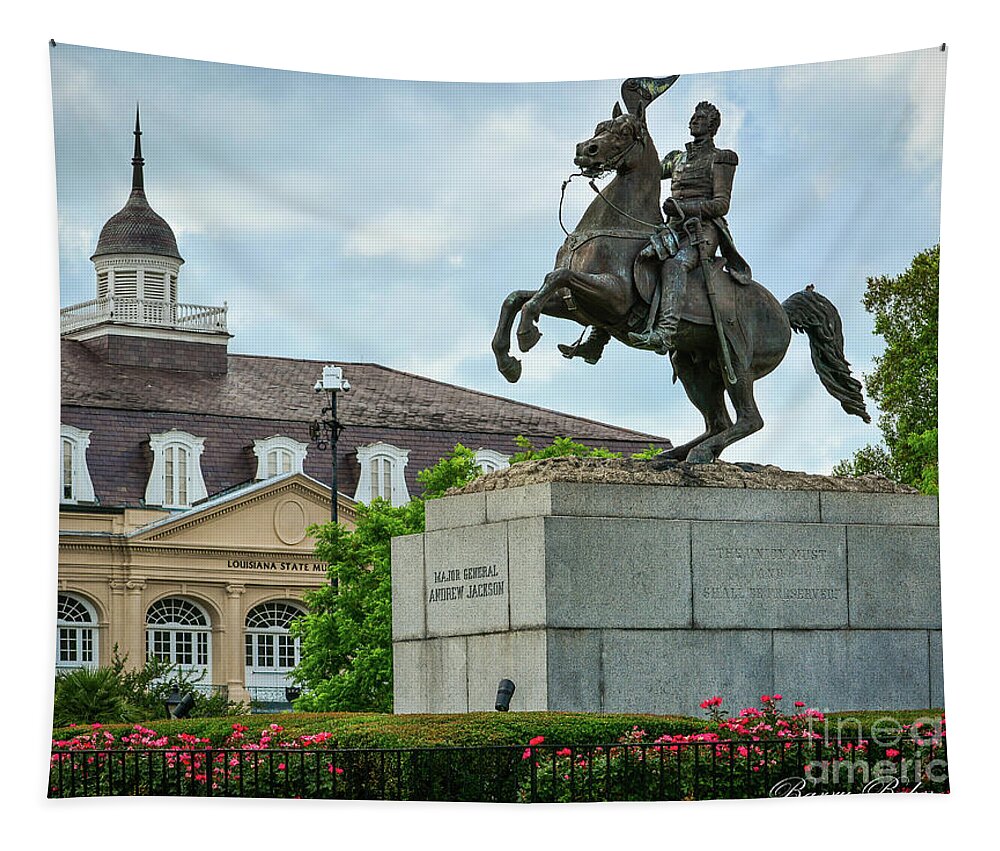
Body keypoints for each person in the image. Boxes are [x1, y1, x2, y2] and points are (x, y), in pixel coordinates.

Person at [629, 101, 751, 354]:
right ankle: (598, 337)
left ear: (712, 126)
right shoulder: (676, 158)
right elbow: (649, 169)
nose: (694, 121)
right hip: (672, 228)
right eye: (693, 117)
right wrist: (637, 126)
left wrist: (684, 209)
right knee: (629, 255)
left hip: (702, 232)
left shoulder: (721, 158)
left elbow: (721, 204)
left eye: (701, 118)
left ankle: (665, 332)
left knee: (675, 264)